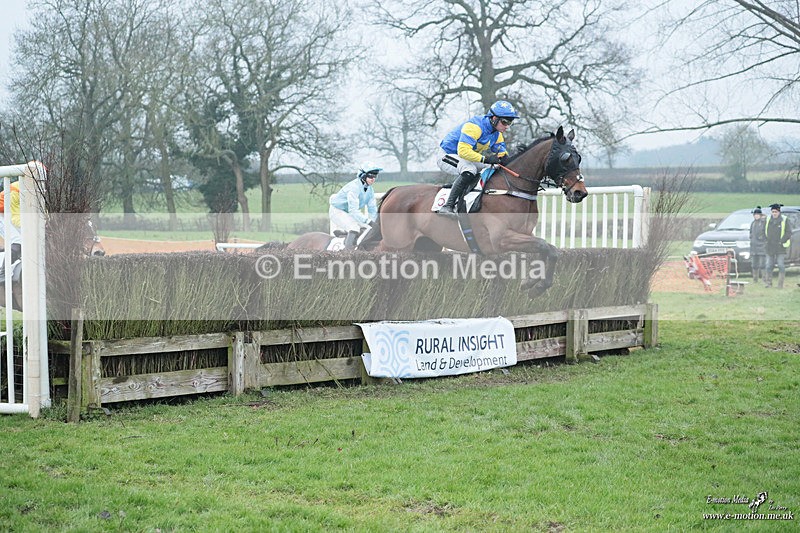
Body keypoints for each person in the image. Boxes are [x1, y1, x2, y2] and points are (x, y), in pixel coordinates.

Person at [435, 100, 517, 217]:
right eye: (505, 122)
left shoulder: (497, 134)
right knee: (470, 170)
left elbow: (503, 155)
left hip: (465, 157)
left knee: (494, 167)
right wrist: (486, 159)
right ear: (494, 118)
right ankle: (448, 205)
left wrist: (511, 160)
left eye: (510, 122)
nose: (507, 126)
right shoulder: (474, 127)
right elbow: (463, 151)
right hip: (447, 155)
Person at [329, 162, 381, 249]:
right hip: (337, 210)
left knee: (367, 228)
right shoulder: (354, 188)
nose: (373, 179)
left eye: (375, 176)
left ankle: (345, 235)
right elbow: (353, 211)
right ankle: (348, 252)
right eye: (370, 176)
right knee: (354, 227)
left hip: (349, 213)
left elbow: (372, 210)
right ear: (363, 176)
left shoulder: (370, 190)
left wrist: (376, 222)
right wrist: (369, 222)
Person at [763, 203, 792, 288]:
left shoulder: (785, 219)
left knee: (780, 265)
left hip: (780, 247)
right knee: (768, 265)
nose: (774, 213)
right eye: (773, 212)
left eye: (775, 212)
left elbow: (788, 232)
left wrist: (782, 241)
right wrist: (765, 240)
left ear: (779, 212)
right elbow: (763, 230)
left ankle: (780, 284)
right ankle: (768, 283)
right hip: (769, 246)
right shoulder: (768, 219)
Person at [0, 180, 22, 263]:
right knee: (17, 242)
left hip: (6, 214)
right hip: (2, 214)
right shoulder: (14, 191)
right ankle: (3, 271)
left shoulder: (32, 189)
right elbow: (15, 218)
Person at [748, 206, 767, 282]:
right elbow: (751, 233)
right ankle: (755, 279)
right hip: (754, 247)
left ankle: (764, 279)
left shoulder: (764, 223)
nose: (756, 216)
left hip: (762, 247)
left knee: (763, 265)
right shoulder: (752, 223)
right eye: (755, 214)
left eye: (757, 214)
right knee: (754, 265)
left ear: (760, 215)